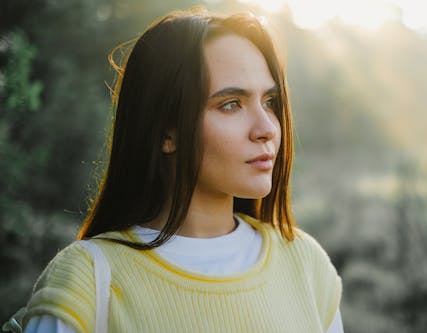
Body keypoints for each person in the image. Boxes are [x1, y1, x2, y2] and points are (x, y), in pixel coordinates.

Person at [20, 7, 343, 333]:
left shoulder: (305, 264)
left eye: (270, 102)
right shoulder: (88, 280)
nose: (267, 129)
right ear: (165, 132)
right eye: (231, 104)